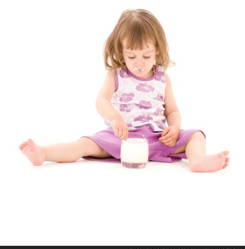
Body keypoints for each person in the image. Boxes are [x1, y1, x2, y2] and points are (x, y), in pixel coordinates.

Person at [19, 9, 229, 172]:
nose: (139, 64)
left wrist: (174, 128)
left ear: (157, 49)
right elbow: (101, 100)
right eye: (131, 56)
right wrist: (115, 119)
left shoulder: (162, 78)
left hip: (156, 139)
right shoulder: (116, 75)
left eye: (146, 56)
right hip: (121, 139)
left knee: (197, 136)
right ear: (121, 51)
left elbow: (172, 111)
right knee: (83, 145)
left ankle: (198, 161)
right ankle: (43, 153)